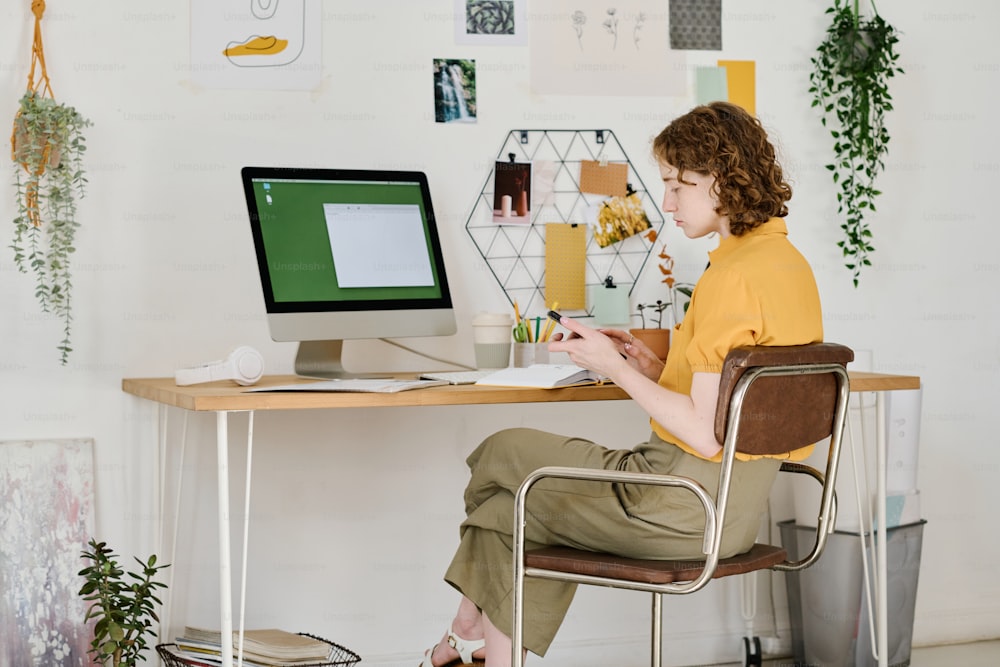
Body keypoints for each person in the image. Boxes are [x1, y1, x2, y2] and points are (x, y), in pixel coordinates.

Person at [419, 101, 824, 667]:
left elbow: (708, 438)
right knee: (513, 504)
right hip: (734, 512)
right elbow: (737, 407)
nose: (667, 201)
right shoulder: (787, 265)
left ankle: (465, 636)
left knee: (502, 458)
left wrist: (613, 368)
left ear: (728, 181)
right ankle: (470, 647)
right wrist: (647, 366)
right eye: (665, 183)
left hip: (679, 505)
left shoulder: (732, 278)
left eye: (680, 184)